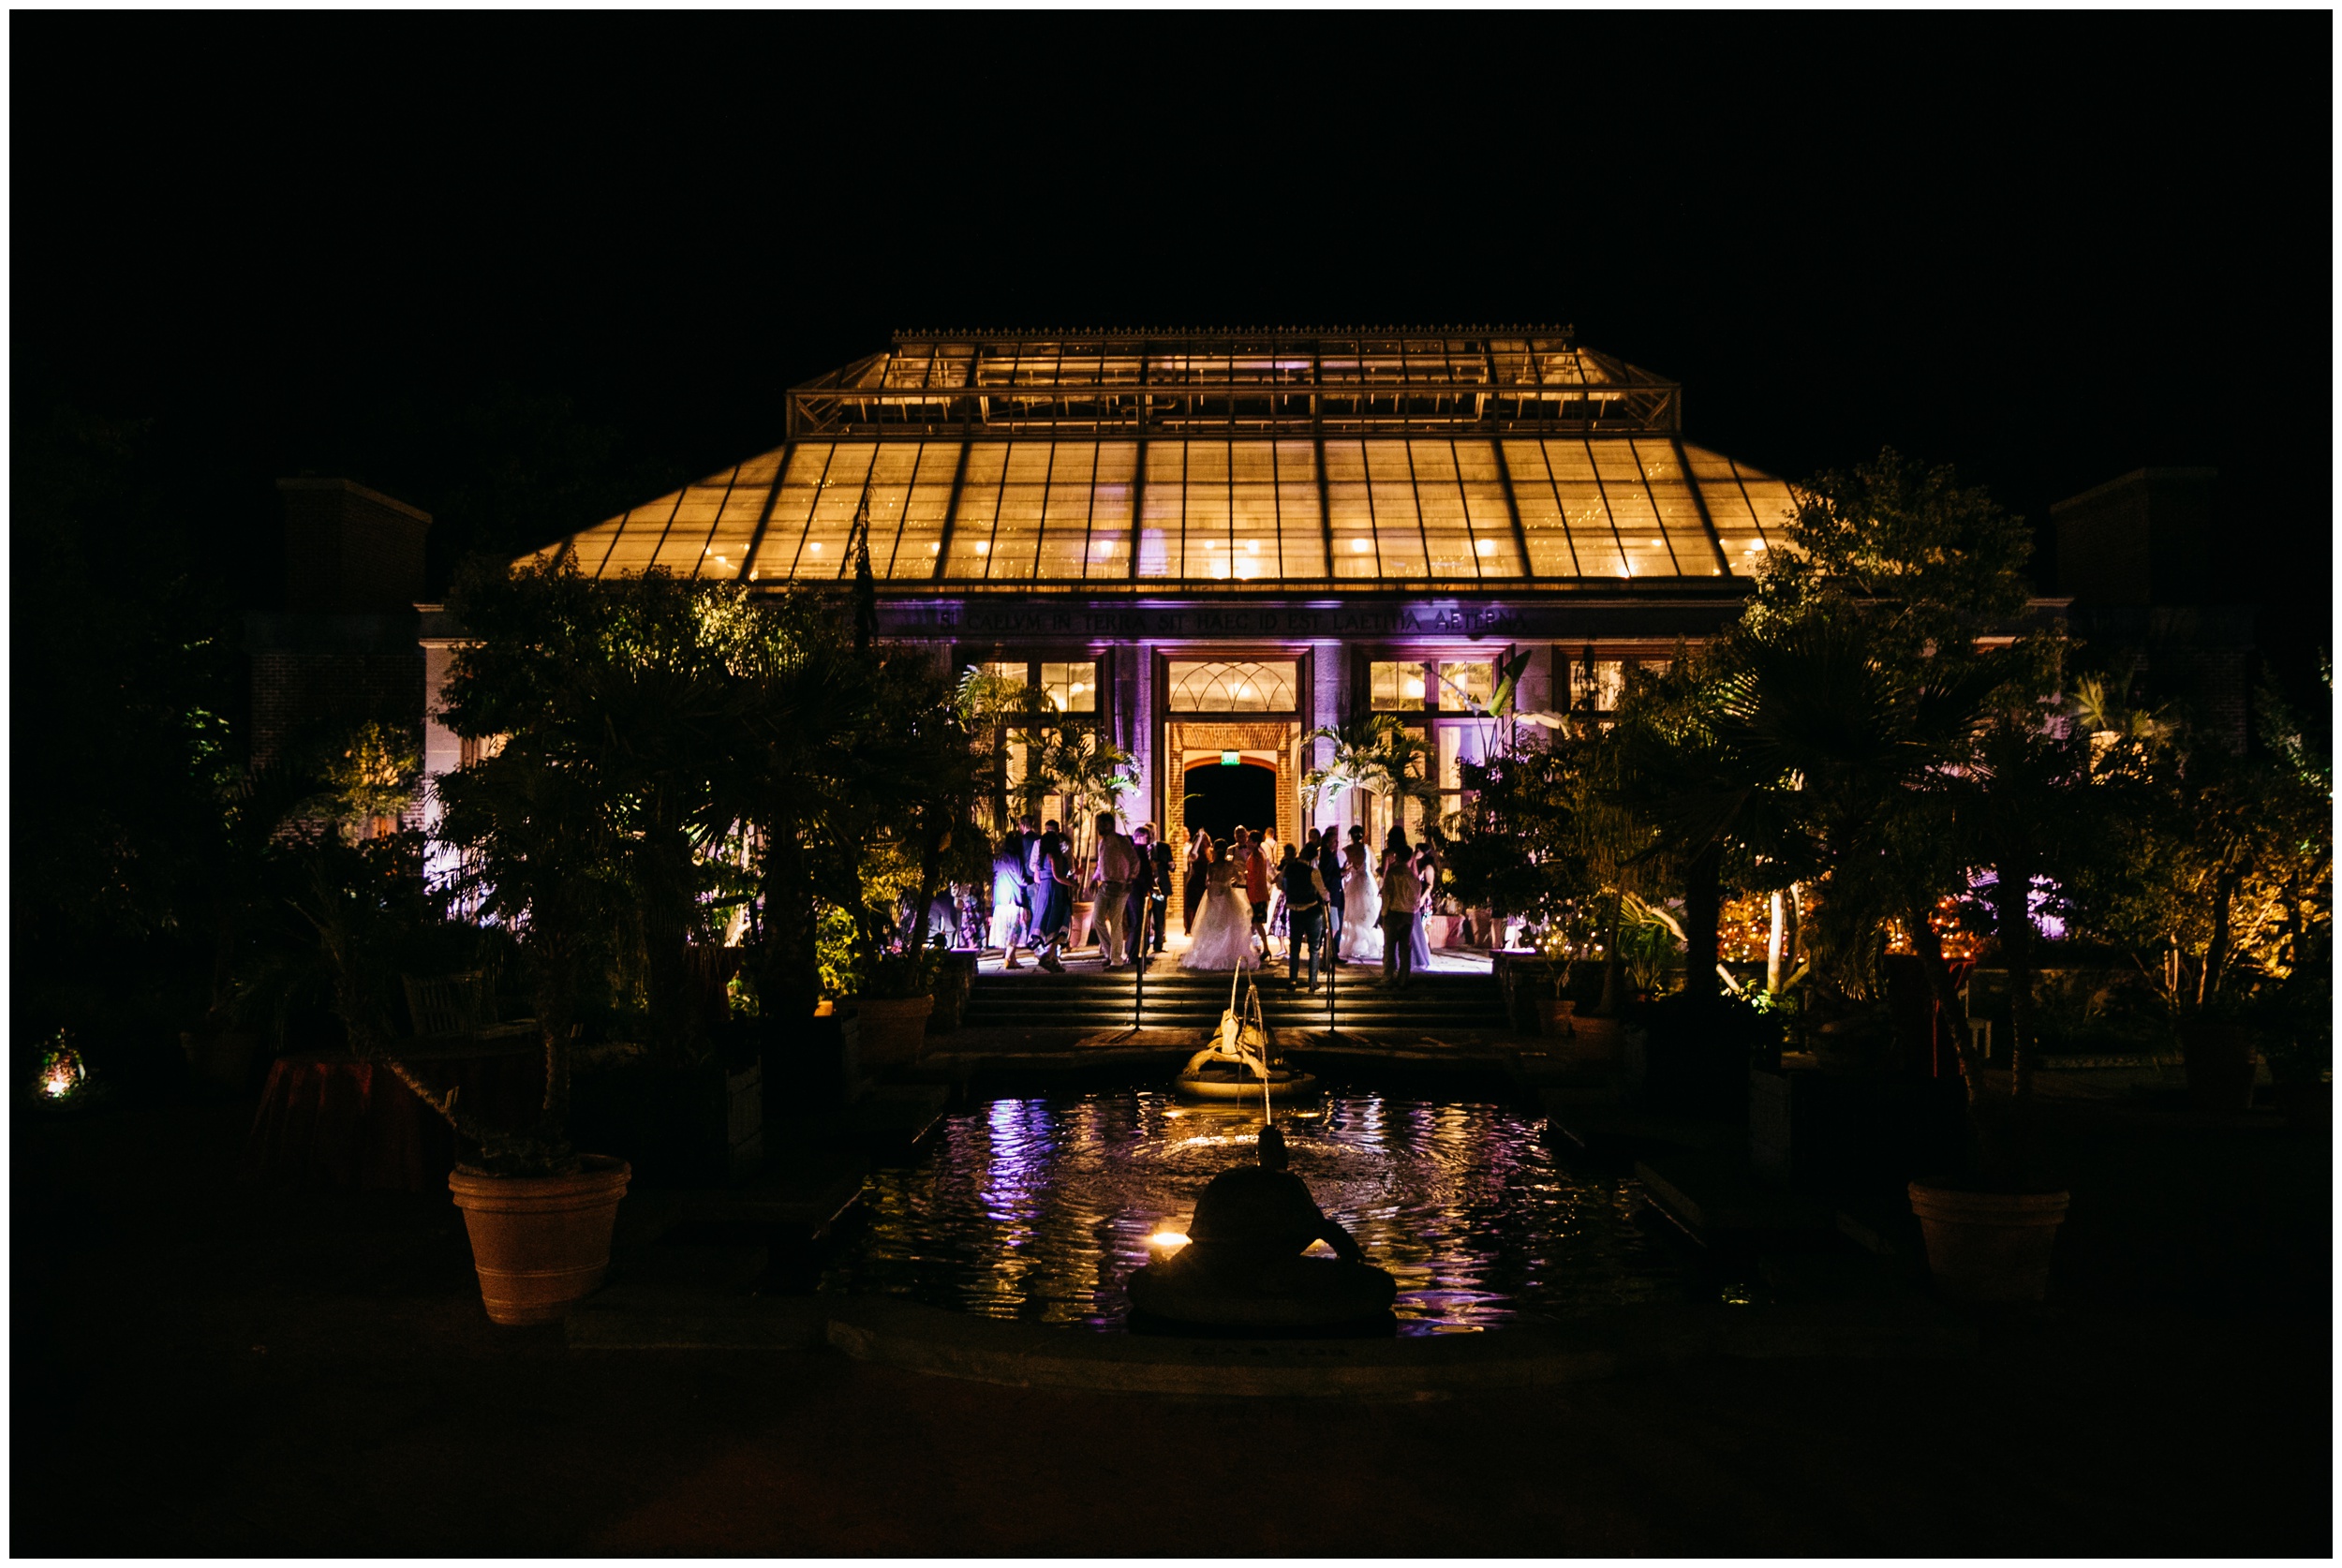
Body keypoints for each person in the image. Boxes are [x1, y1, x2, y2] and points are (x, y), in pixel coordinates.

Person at [1185, 1126, 1369, 1268]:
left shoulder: (1228, 1178)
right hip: (1268, 1246)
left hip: (1213, 1242)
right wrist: (1351, 1255)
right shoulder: (1288, 1182)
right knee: (1321, 1228)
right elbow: (1321, 1226)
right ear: (1283, 1155)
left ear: (1259, 1154)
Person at [1178, 832, 1258, 971]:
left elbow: (1208, 881)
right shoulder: (1229, 865)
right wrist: (1230, 881)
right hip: (1227, 894)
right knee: (1229, 924)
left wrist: (1213, 890)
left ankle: (1212, 953)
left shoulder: (1211, 866)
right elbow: (1239, 878)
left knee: (1212, 924)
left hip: (1213, 895)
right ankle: (1228, 953)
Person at [1089, 811, 1141, 969]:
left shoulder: (1121, 841)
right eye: (1098, 824)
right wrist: (1094, 878)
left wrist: (1130, 879)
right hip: (1105, 885)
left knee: (1116, 922)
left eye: (1103, 824)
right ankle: (1110, 952)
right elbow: (1101, 864)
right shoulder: (1102, 843)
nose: (1099, 827)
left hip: (1120, 885)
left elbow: (1134, 860)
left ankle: (1116, 960)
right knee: (1097, 919)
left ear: (1110, 825)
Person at [1282, 840, 1332, 990]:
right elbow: (1323, 893)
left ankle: (1293, 981)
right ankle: (1312, 981)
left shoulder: (1288, 869)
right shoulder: (1313, 872)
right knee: (1314, 948)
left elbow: (1279, 884)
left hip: (1295, 911)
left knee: (1294, 948)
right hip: (1311, 911)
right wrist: (1328, 898)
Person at [1379, 828, 1424, 988]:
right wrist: (1413, 909)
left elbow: (1387, 894)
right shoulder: (1413, 877)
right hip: (1408, 914)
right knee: (1405, 948)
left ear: (1397, 857)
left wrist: (1384, 913)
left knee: (1389, 947)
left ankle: (1388, 977)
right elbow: (1417, 896)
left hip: (1394, 912)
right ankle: (1403, 978)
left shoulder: (1393, 873)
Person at [1028, 818, 1073, 972]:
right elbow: (1058, 876)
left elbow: (1036, 878)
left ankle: (1052, 958)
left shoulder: (1040, 857)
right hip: (1056, 890)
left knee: (1047, 920)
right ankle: (1049, 955)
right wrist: (1072, 884)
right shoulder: (1055, 856)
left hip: (1043, 890)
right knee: (1058, 921)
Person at [990, 814, 1035, 969]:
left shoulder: (997, 857)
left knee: (1006, 930)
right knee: (1014, 929)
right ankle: (1009, 958)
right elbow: (1021, 879)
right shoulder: (1014, 857)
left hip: (1000, 898)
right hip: (1012, 898)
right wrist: (1033, 880)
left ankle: (1012, 958)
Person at [1339, 824, 1383, 962]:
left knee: (1353, 913)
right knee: (1367, 913)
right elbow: (1376, 868)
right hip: (1366, 883)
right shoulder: (1367, 849)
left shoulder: (1346, 850)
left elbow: (1341, 868)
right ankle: (1364, 944)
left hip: (1352, 883)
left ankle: (1354, 943)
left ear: (1350, 836)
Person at [1236, 826, 1272, 958]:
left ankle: (1264, 948)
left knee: (1256, 923)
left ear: (1256, 843)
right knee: (1253, 923)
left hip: (1257, 894)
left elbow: (1255, 875)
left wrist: (1244, 876)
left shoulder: (1257, 856)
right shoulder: (1254, 855)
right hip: (1254, 893)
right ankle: (1257, 947)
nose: (1247, 842)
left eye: (1250, 840)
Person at [1142, 822, 1174, 954]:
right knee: (1145, 916)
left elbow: (1171, 865)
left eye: (1153, 832)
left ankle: (1158, 944)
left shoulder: (1164, 847)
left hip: (1161, 886)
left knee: (1159, 915)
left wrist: (1170, 865)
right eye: (1149, 833)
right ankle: (1144, 945)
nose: (1151, 835)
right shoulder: (1142, 848)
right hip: (1147, 888)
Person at [1316, 825, 1346, 954]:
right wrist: (1341, 873)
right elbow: (1327, 875)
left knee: (1334, 925)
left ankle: (1329, 952)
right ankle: (1327, 951)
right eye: (1334, 841)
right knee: (1334, 925)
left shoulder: (1331, 855)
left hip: (1334, 893)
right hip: (1331, 894)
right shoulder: (1327, 857)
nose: (1337, 843)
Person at [1183, 828, 1213, 935]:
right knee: (1195, 907)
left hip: (1206, 884)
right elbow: (1193, 852)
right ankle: (1195, 929)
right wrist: (1199, 838)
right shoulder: (1195, 854)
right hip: (1196, 884)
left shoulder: (1210, 853)